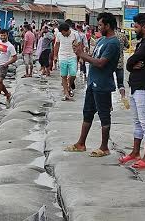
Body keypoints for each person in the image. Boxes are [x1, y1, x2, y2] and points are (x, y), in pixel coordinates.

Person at [63, 12, 120, 157]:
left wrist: (82, 55)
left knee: (104, 115)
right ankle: (81, 143)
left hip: (102, 84)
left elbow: (101, 63)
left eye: (100, 25)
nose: (98, 27)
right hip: (93, 82)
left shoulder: (113, 42)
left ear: (108, 25)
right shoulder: (102, 41)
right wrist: (81, 52)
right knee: (87, 113)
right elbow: (94, 58)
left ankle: (104, 147)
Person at [119, 13, 145, 170]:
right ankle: (135, 152)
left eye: (136, 26)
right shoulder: (141, 43)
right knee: (137, 122)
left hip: (144, 87)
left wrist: (131, 63)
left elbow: (130, 61)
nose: (134, 29)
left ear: (144, 27)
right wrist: (131, 64)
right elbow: (130, 64)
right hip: (135, 86)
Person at [0, 29, 17, 107]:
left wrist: (6, 64)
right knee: (0, 83)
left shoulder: (10, 46)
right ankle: (7, 94)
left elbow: (15, 57)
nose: (3, 37)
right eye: (1, 35)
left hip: (3, 66)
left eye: (4, 35)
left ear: (7, 35)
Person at [54, 22, 77, 101]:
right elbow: (56, 45)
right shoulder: (59, 35)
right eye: (62, 34)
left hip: (72, 56)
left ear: (67, 30)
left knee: (73, 74)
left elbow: (79, 45)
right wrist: (55, 56)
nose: (63, 35)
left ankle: (69, 86)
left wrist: (80, 57)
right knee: (63, 75)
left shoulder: (74, 34)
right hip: (62, 56)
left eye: (64, 33)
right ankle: (66, 93)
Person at [114, 28, 130, 94]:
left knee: (107, 83)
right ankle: (123, 98)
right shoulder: (123, 35)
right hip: (120, 63)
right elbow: (128, 46)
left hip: (109, 63)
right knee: (121, 84)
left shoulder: (108, 36)